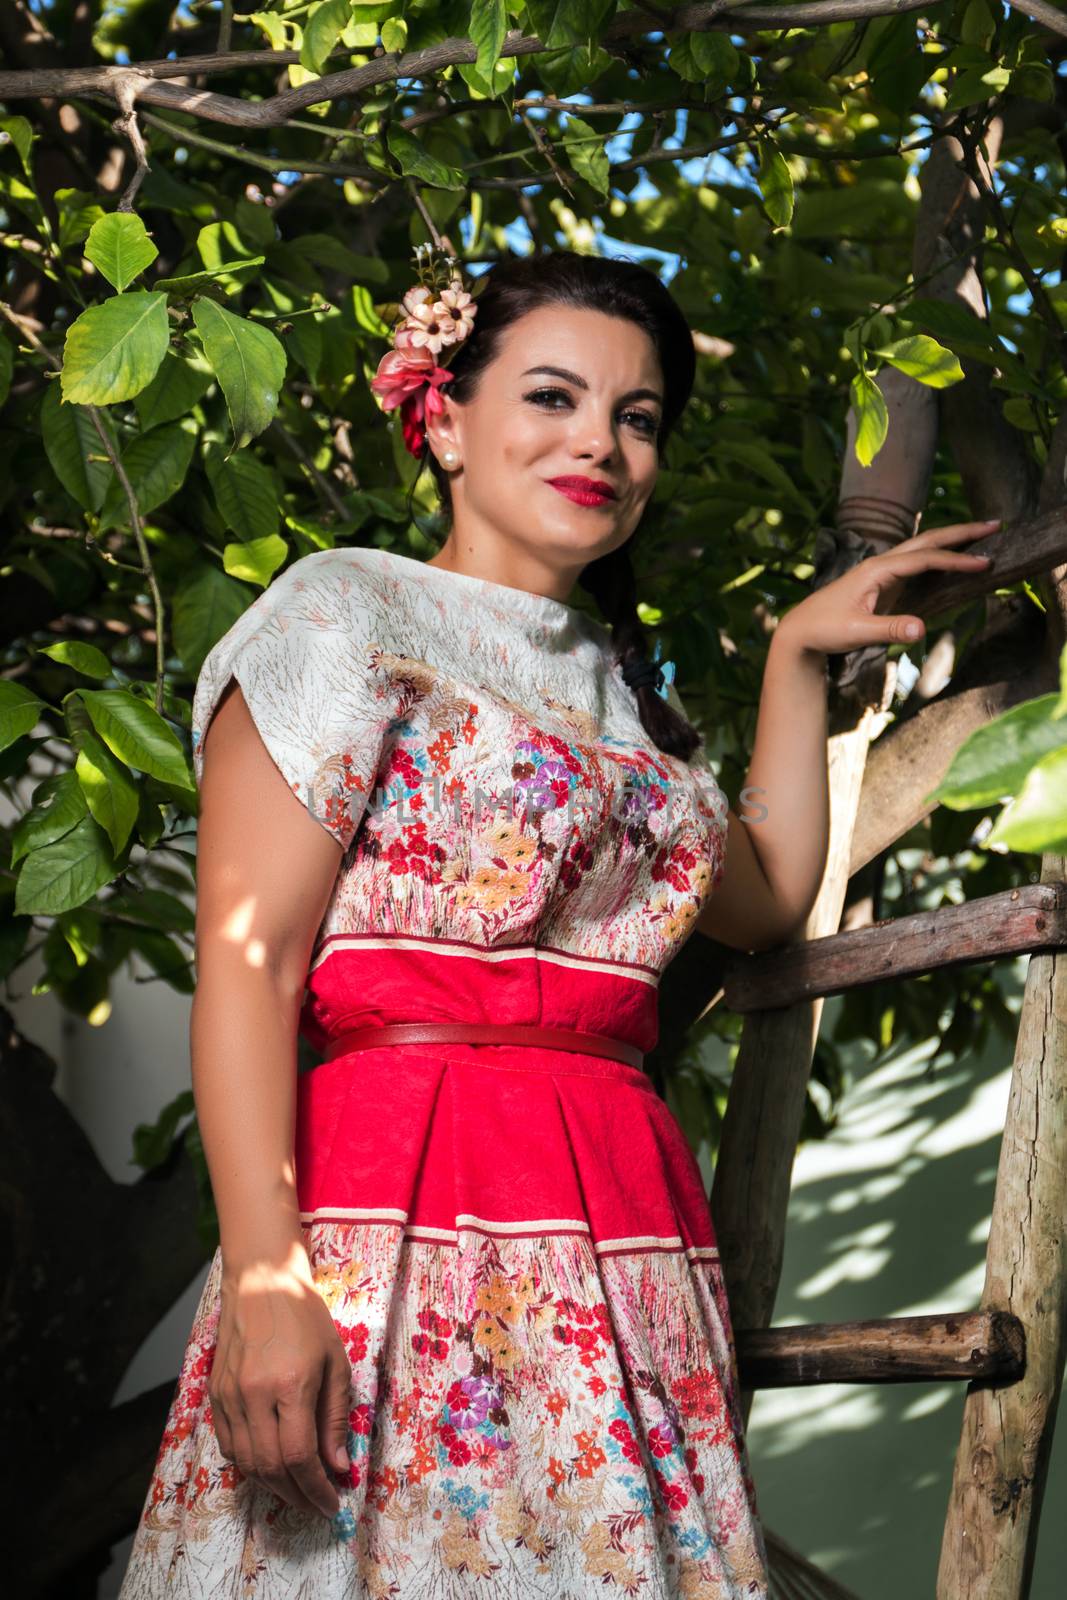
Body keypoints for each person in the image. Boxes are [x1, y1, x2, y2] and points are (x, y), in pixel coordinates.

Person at [117, 247, 997, 1599]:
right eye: (553, 396)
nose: (601, 440)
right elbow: (253, 964)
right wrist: (269, 1278)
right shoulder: (344, 613)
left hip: (626, 1232)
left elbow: (764, 902)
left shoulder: (625, 701)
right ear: (447, 419)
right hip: (391, 1218)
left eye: (637, 417)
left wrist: (790, 660)